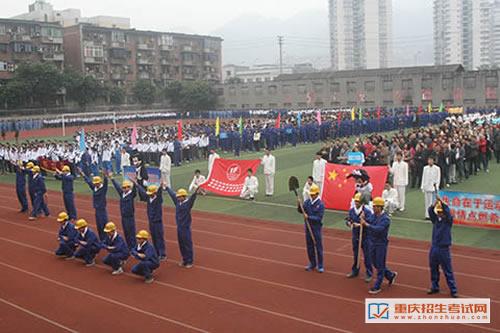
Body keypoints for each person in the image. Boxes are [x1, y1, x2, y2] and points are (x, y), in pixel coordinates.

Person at [360, 197, 397, 294]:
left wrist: (366, 224)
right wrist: (363, 217)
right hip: (372, 242)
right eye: (373, 206)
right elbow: (369, 219)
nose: (373, 208)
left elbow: (378, 229)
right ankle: (390, 275)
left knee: (380, 265)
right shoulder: (373, 216)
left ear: (380, 207)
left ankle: (377, 286)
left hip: (381, 244)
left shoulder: (385, 219)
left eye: (375, 206)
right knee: (375, 263)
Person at [427, 198, 458, 298]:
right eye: (438, 212)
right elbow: (430, 211)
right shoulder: (436, 220)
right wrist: (434, 205)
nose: (439, 214)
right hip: (434, 248)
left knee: (447, 270)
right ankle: (434, 286)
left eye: (441, 212)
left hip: (444, 249)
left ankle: (453, 290)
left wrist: (444, 204)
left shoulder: (448, 221)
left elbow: (448, 214)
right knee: (433, 269)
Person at [166, 187, 199, 268]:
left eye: (179, 196)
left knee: (187, 244)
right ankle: (184, 259)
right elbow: (172, 195)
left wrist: (195, 192)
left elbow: (192, 198)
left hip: (185, 228)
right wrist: (166, 187)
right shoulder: (177, 202)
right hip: (179, 228)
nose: (178, 197)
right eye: (178, 197)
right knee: (181, 244)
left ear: (184, 196)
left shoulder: (188, 204)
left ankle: (189, 261)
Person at [135, 182, 167, 261]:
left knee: (159, 238)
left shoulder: (158, 199)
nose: (149, 194)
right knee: (154, 237)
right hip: (151, 221)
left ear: (154, 193)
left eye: (151, 193)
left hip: (157, 222)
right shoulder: (148, 198)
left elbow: (159, 193)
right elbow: (142, 191)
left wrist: (160, 186)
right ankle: (156, 252)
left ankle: (162, 254)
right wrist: (137, 184)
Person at [345, 193, 373, 282]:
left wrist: (362, 224)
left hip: (365, 236)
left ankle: (369, 273)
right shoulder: (351, 211)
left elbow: (370, 223)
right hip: (355, 236)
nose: (357, 203)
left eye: (358, 201)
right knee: (356, 254)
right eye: (356, 201)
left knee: (367, 255)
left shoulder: (367, 212)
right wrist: (349, 223)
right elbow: (348, 220)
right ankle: (355, 270)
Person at [298, 184, 325, 273]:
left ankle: (320, 265)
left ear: (317, 194)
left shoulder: (320, 205)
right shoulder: (307, 202)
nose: (312, 196)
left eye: (313, 194)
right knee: (309, 246)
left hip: (316, 228)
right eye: (311, 194)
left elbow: (319, 218)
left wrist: (308, 217)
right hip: (308, 228)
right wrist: (299, 204)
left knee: (318, 246)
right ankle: (312, 263)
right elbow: (301, 210)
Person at [80, 170, 108, 240]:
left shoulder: (103, 189)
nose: (96, 184)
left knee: (103, 225)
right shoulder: (94, 188)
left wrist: (105, 176)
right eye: (95, 183)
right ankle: (102, 238)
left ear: (100, 182)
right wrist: (83, 174)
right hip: (97, 209)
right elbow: (89, 182)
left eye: (97, 183)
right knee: (99, 225)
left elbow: (106, 183)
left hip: (102, 210)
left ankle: (106, 239)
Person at [110, 177, 137, 249]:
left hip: (129, 217)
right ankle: (129, 246)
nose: (125, 189)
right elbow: (117, 187)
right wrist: (112, 179)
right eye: (124, 187)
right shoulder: (122, 194)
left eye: (126, 187)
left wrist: (134, 183)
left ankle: (133, 247)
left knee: (131, 232)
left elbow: (134, 191)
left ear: (129, 188)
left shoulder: (131, 195)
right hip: (123, 217)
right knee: (126, 232)